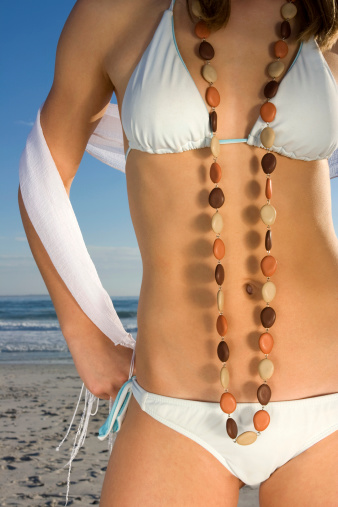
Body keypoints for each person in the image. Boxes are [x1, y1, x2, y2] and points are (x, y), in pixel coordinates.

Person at [18, 0, 338, 505]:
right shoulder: (117, 12)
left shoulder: (326, 20)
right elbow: (43, 166)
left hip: (329, 398)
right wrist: (85, 330)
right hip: (173, 406)